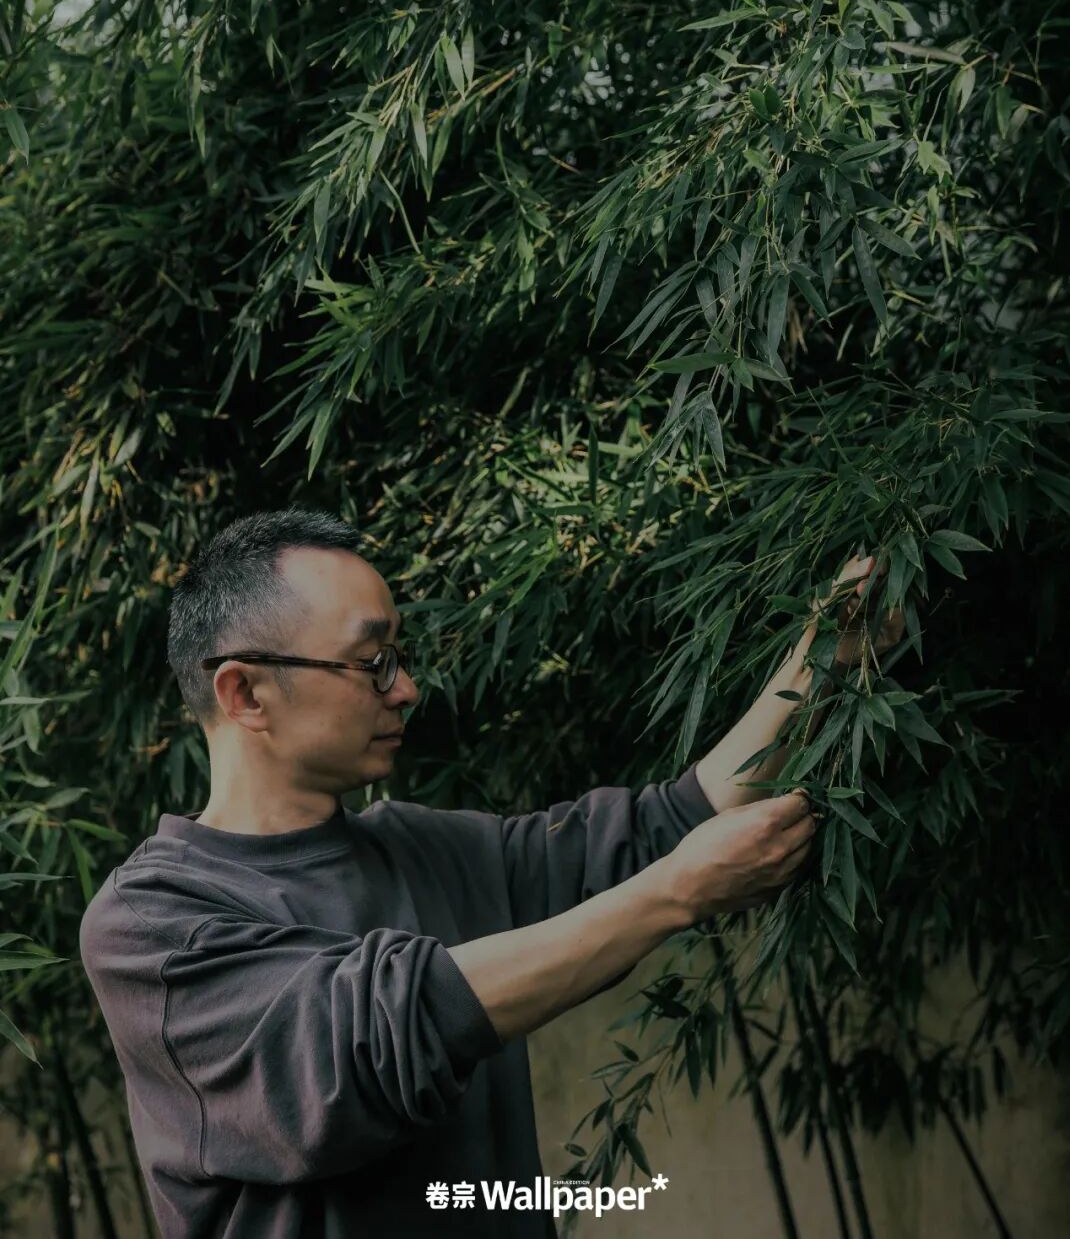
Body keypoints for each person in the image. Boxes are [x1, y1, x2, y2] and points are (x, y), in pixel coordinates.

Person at [79, 506, 890, 1237]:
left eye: (401, 657)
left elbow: (664, 830)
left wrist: (821, 658)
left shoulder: (431, 849)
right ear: (246, 692)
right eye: (373, 661)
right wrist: (674, 892)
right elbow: (376, 1039)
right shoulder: (152, 924)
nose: (407, 688)